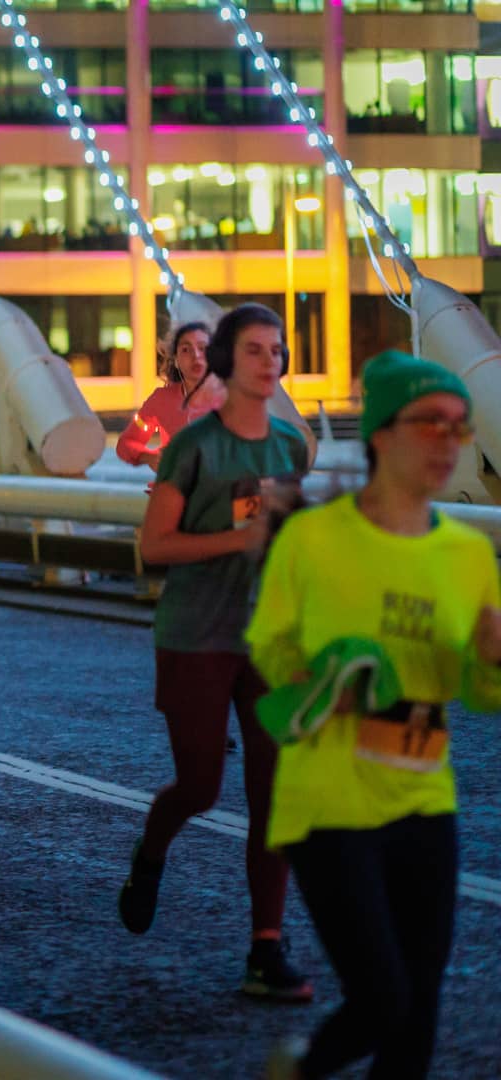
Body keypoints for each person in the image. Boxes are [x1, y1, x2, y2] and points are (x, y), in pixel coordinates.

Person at [249, 353, 501, 1079]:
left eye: (459, 427)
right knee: (384, 997)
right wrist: (333, 673)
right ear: (383, 435)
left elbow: (479, 696)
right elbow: (268, 645)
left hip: (424, 793)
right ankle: (301, 1070)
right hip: (329, 796)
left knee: (417, 1019)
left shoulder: (466, 555)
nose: (448, 441)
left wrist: (491, 661)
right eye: (431, 423)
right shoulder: (313, 539)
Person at [116, 303, 314, 1001]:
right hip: (196, 634)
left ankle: (266, 946)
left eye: (276, 350)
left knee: (274, 794)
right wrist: (237, 541)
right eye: (255, 350)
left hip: (266, 639)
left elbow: (284, 535)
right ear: (227, 363)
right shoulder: (191, 446)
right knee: (201, 786)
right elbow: (156, 546)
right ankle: (151, 851)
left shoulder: (291, 446)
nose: (270, 362)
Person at [117, 321, 224, 469]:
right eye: (186, 350)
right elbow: (126, 443)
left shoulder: (235, 399)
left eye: (203, 348)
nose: (196, 356)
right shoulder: (162, 400)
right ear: (175, 361)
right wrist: (149, 456)